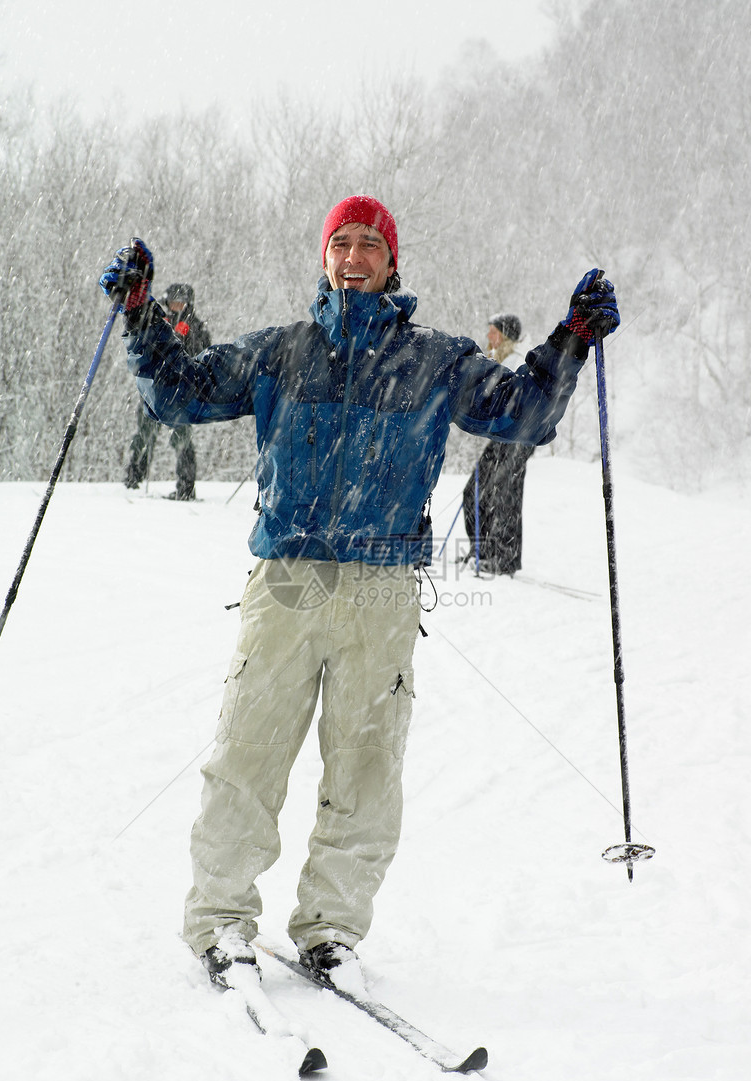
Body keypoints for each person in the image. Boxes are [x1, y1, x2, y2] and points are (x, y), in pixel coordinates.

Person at [99, 196, 620, 991]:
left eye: (368, 244)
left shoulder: (435, 360)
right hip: (288, 584)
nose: (353, 255)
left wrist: (572, 340)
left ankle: (331, 931)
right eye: (340, 242)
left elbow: (523, 414)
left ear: (391, 261)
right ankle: (221, 921)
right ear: (324, 256)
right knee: (248, 755)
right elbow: (178, 393)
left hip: (383, 592)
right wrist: (139, 314)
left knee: (367, 770)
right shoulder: (283, 352)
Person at [462, 313, 535, 575]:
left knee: (504, 495)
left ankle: (504, 558)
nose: (488, 336)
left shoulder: (516, 362)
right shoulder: (499, 360)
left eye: (493, 331)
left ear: (504, 335)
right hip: (502, 436)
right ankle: (481, 550)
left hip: (519, 437)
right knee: (474, 491)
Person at [124, 282, 211, 500]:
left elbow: (202, 356)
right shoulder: (157, 322)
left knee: (182, 440)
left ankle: (186, 488)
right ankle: (133, 480)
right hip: (153, 389)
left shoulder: (196, 327)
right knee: (144, 435)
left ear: (188, 304)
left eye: (181, 302)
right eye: (174, 301)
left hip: (180, 392)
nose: (177, 305)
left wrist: (186, 340)